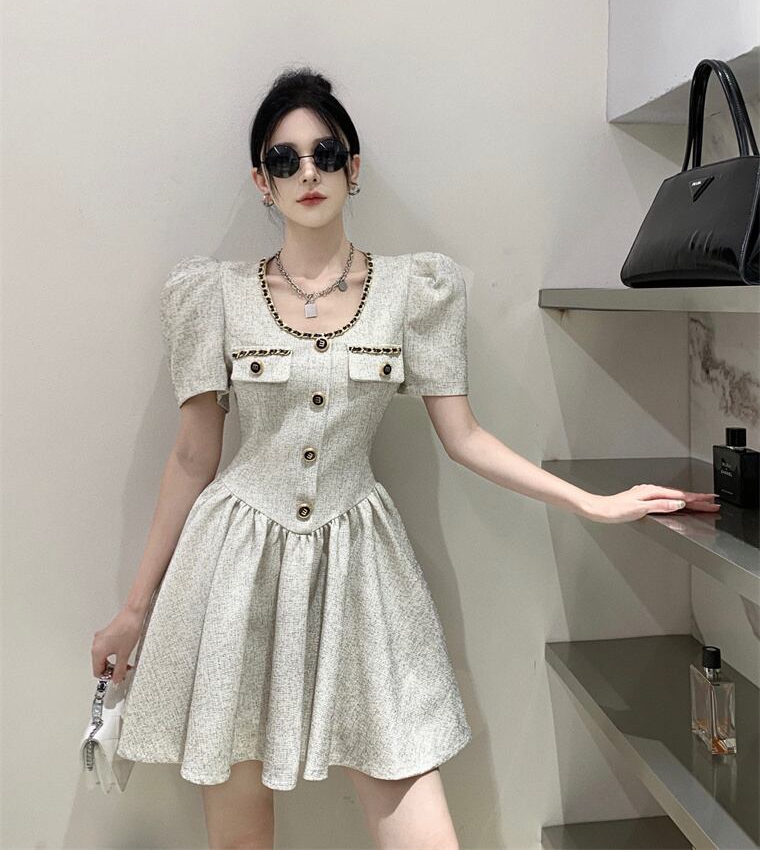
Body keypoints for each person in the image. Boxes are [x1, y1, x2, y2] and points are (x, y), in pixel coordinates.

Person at [91, 67, 721, 849]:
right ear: (262, 180)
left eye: (326, 153)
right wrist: (135, 609)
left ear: (353, 166)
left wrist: (592, 501)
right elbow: (193, 456)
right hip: (234, 569)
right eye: (285, 159)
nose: (309, 172)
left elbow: (466, 437)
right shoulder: (213, 295)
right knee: (240, 831)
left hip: (362, 569)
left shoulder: (412, 289)